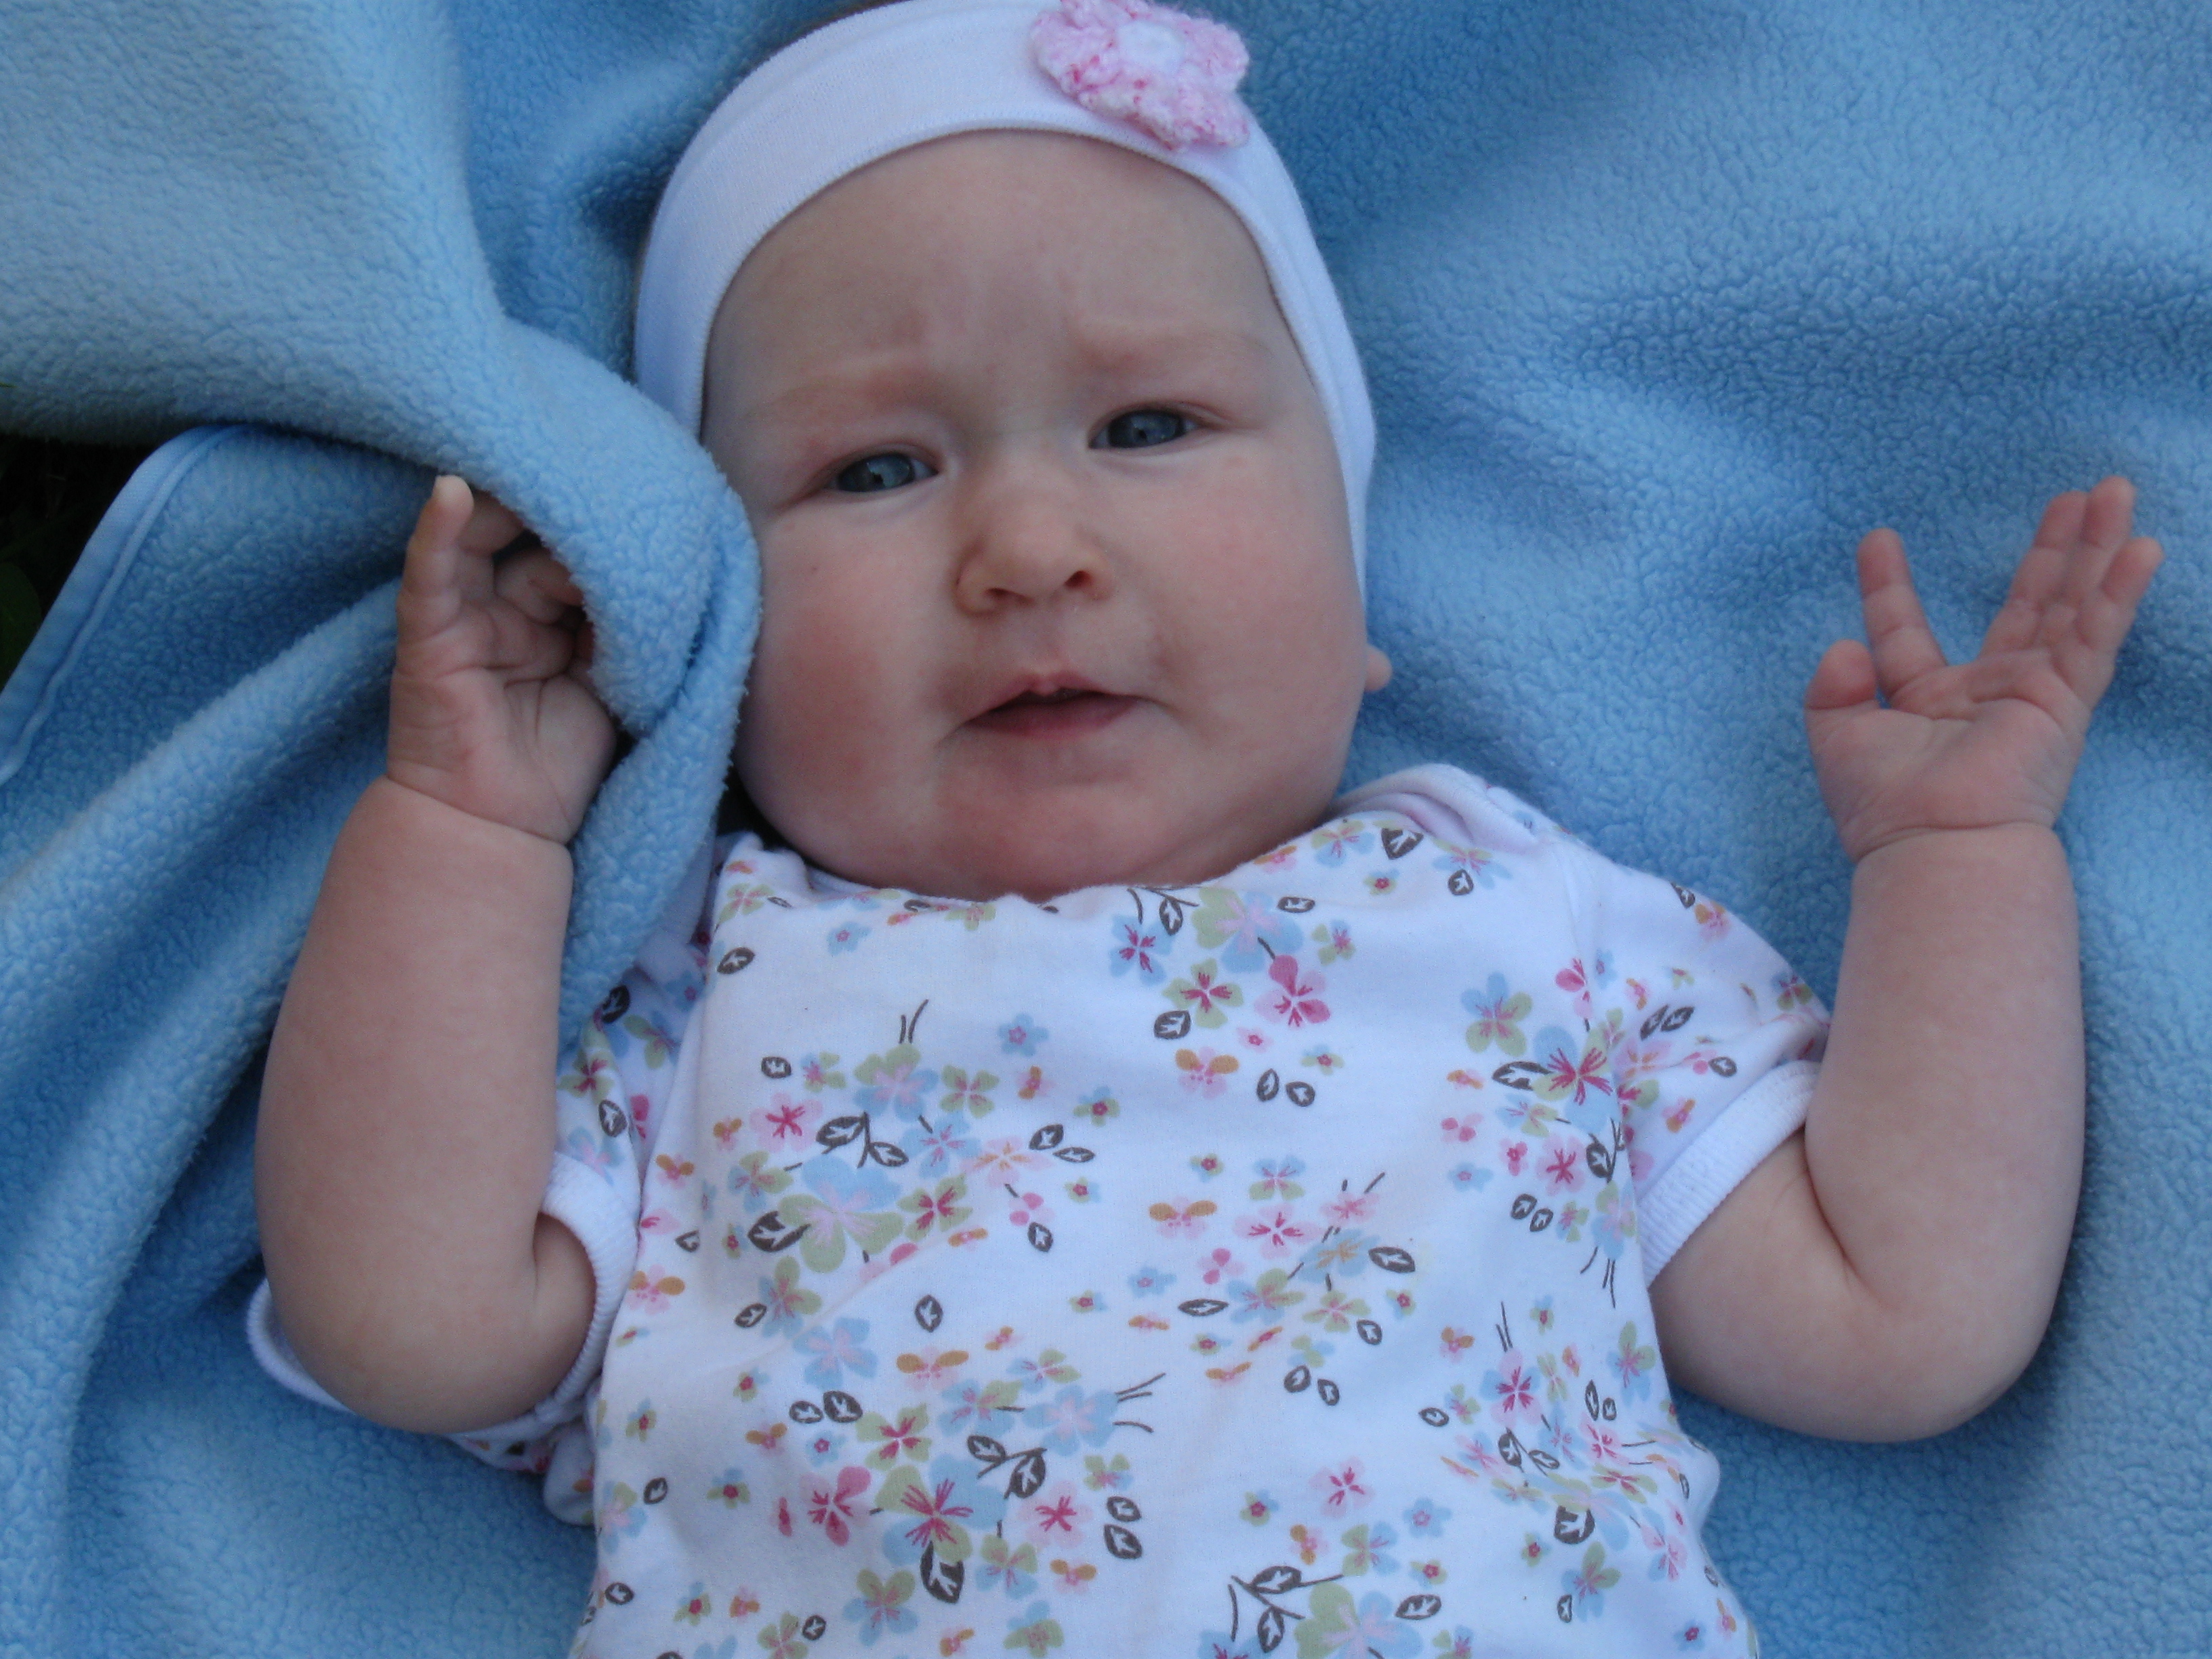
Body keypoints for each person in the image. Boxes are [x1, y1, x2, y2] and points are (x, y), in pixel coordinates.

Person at [248, 1, 2162, 1652]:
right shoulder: (719, 986)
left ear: (1356, 594)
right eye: (878, 469)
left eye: (1148, 428)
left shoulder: (1513, 927)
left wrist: (1954, 861)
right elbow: (406, 1325)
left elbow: (1896, 1317)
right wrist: (473, 834)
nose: (1029, 548)